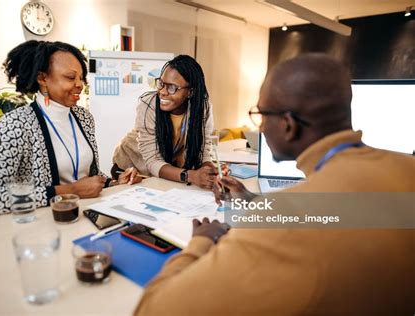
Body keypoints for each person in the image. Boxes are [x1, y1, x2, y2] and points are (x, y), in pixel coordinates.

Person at [134, 54, 415, 315]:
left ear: (288, 125)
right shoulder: (407, 169)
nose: (260, 127)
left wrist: (202, 242)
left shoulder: (278, 230)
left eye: (261, 115)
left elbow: (153, 309)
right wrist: (253, 200)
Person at [0, 40, 141, 216]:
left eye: (81, 78)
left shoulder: (83, 117)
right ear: (42, 78)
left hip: (87, 216)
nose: (79, 84)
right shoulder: (16, 123)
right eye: (70, 77)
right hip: (43, 227)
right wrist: (69, 191)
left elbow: (88, 173)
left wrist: (113, 183)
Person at [112, 55, 219, 190]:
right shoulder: (148, 105)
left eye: (172, 88)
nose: (162, 92)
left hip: (168, 172)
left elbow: (203, 149)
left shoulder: (202, 108)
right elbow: (153, 161)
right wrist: (191, 176)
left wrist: (211, 172)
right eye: (161, 84)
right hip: (131, 167)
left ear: (190, 92)